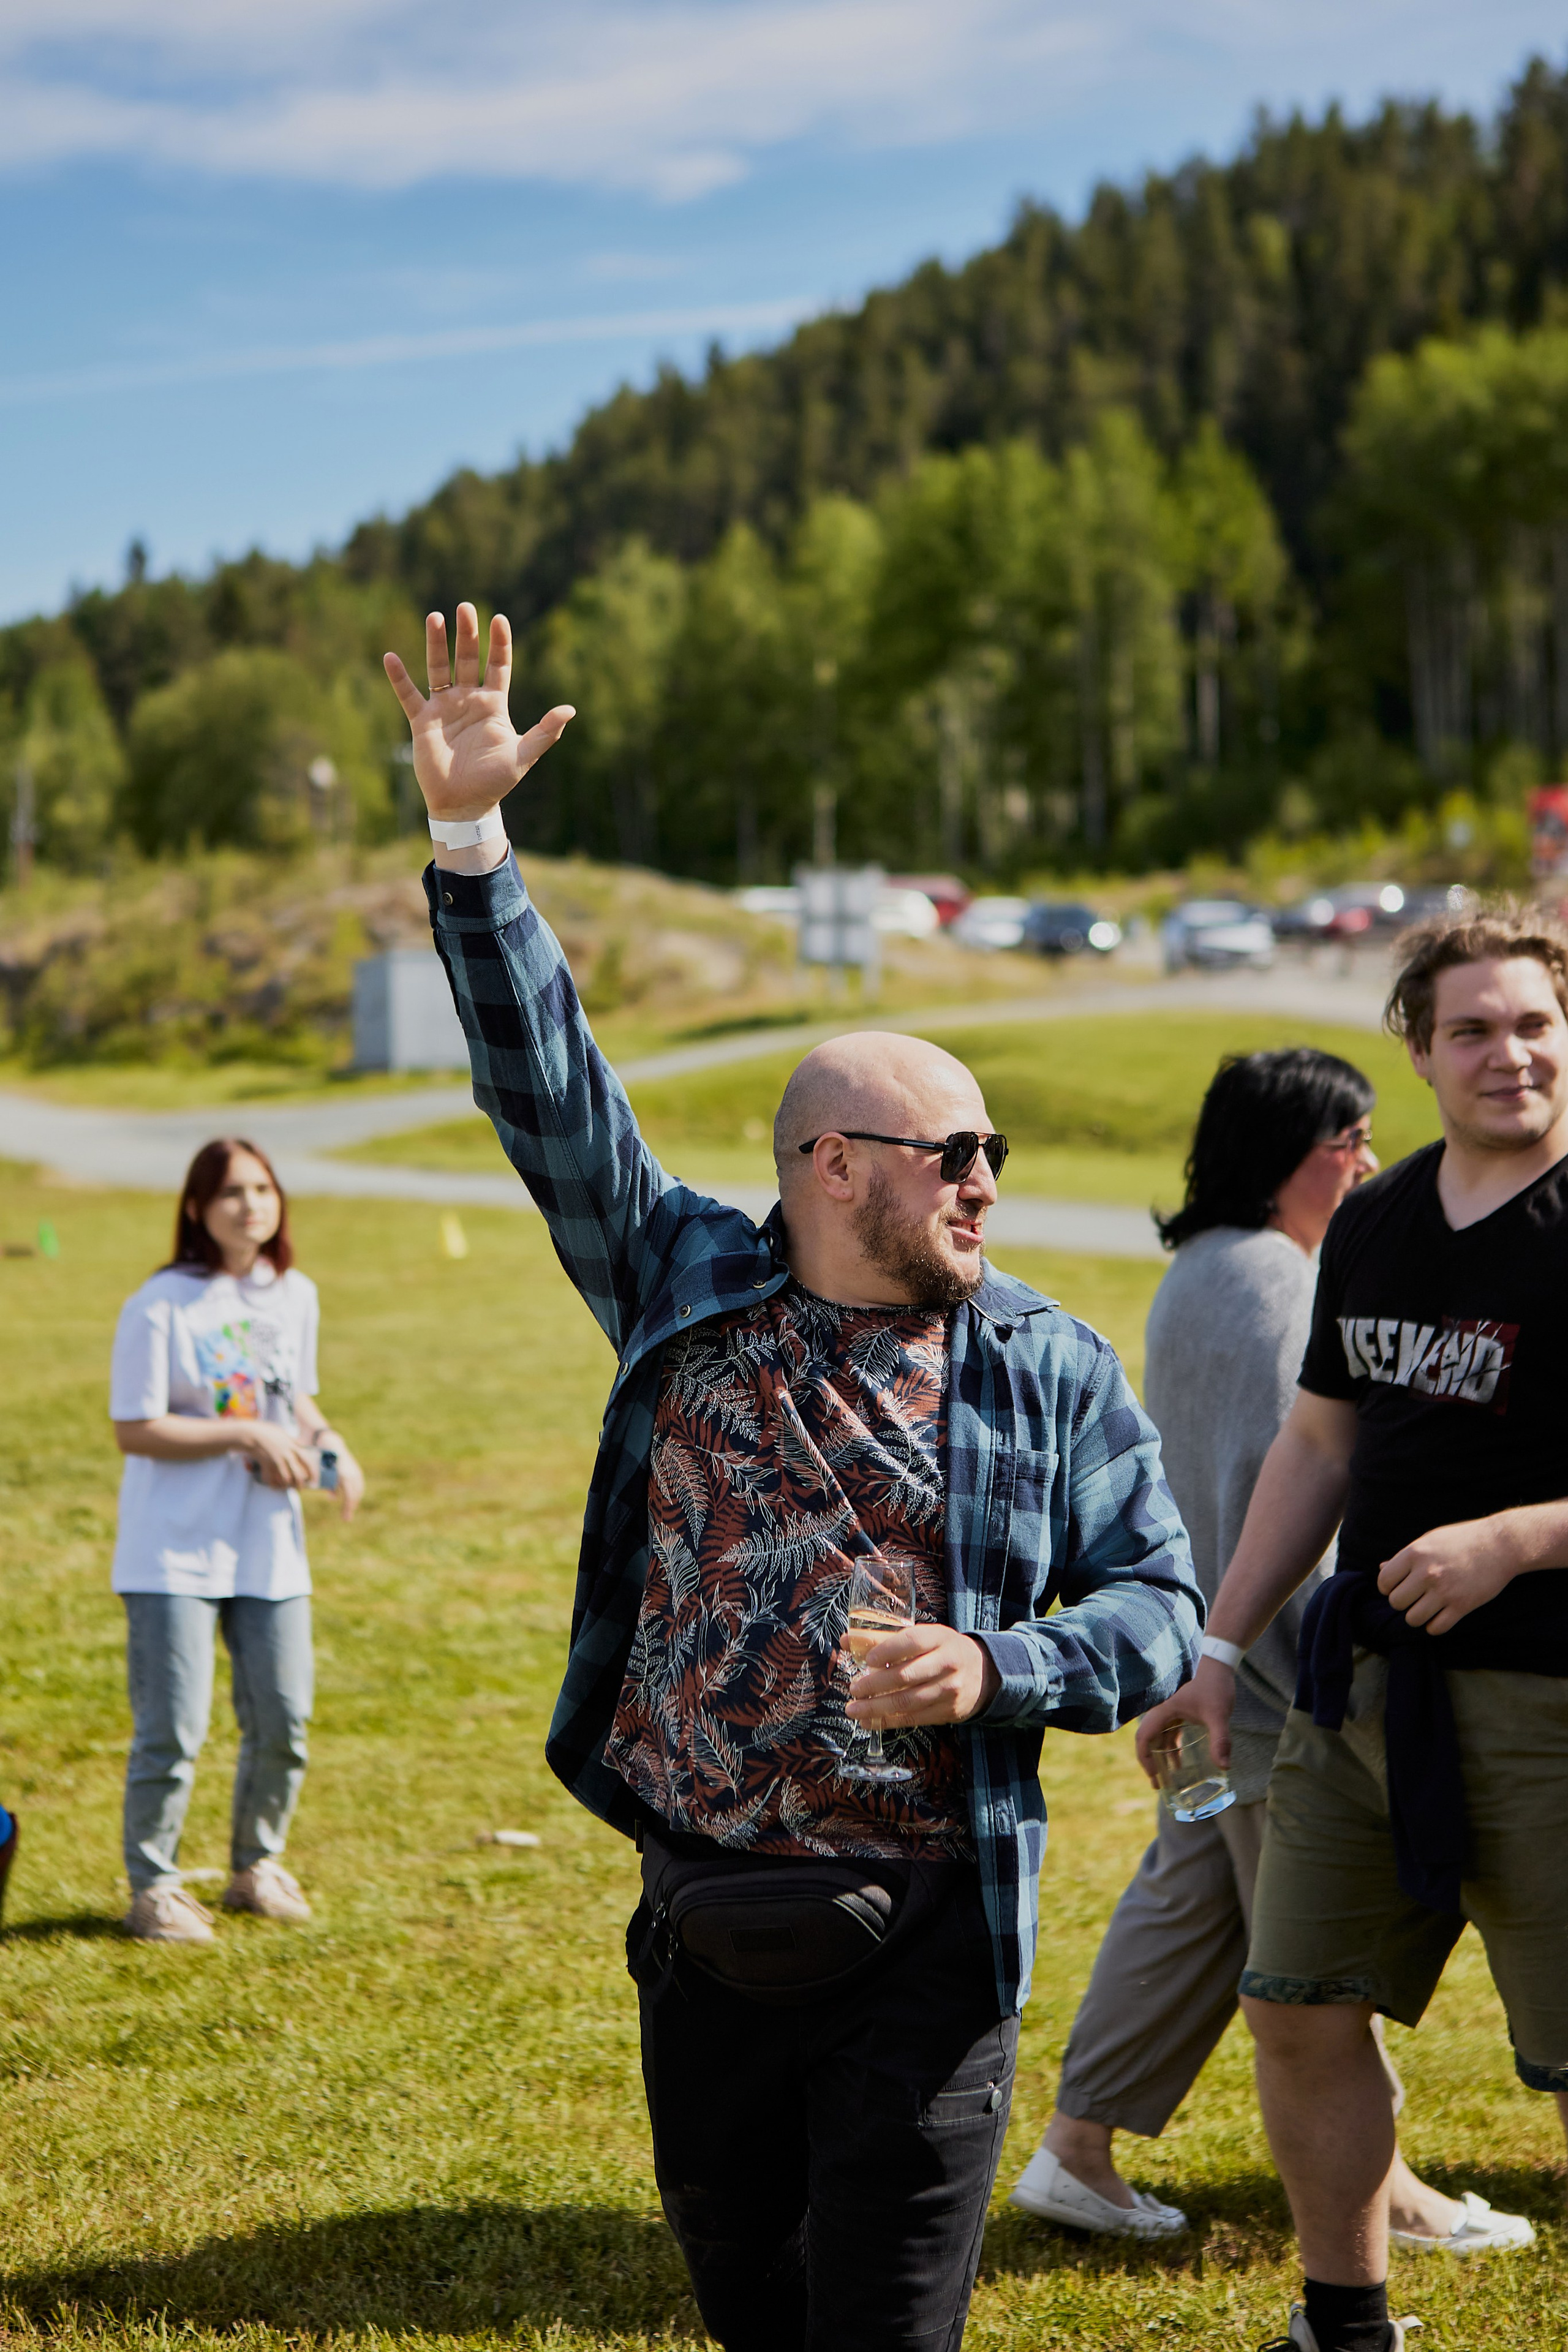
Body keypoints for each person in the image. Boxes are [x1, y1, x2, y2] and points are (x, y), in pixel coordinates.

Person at [382, 603, 1204, 2352]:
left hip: (933, 1940)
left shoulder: (1042, 1363)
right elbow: (550, 1087)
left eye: (998, 1154)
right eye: (955, 1154)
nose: (987, 1183)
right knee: (751, 2308)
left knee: (884, 2328)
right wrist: (472, 844)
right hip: (704, 1929)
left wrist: (1001, 1666)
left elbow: (1161, 1605)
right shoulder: (684, 1278)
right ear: (834, 1164)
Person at [1011, 1049, 1531, 2257]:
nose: (1363, 1161)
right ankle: (1385, 2189)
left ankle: (1074, 2152)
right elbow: (1292, 1482)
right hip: (1269, 1671)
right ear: (1285, 1153)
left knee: (1193, 1904)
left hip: (1219, 1657)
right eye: (1344, 1139)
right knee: (1316, 1958)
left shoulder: (1205, 1267)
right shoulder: (1266, 1281)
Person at [1153, 905, 1568, 2352]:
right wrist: (1214, 1654)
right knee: (1297, 2006)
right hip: (1360, 1697)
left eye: (1531, 1024)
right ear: (1417, 1049)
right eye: (1471, 1028)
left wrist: (1520, 1538)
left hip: (1547, 1706)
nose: (1506, 1054)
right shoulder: (1379, 1223)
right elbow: (1317, 1448)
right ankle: (1342, 2325)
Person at [110, 1138, 364, 1945]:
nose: (249, 1205)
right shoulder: (161, 1304)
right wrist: (243, 1433)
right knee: (172, 1731)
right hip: (172, 1554)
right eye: (229, 1193)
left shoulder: (294, 1295)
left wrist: (331, 1447)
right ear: (196, 1208)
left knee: (284, 1719)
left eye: (262, 1189)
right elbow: (135, 1428)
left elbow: (297, 1401)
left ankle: (256, 1868)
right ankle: (154, 1887)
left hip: (267, 1550)